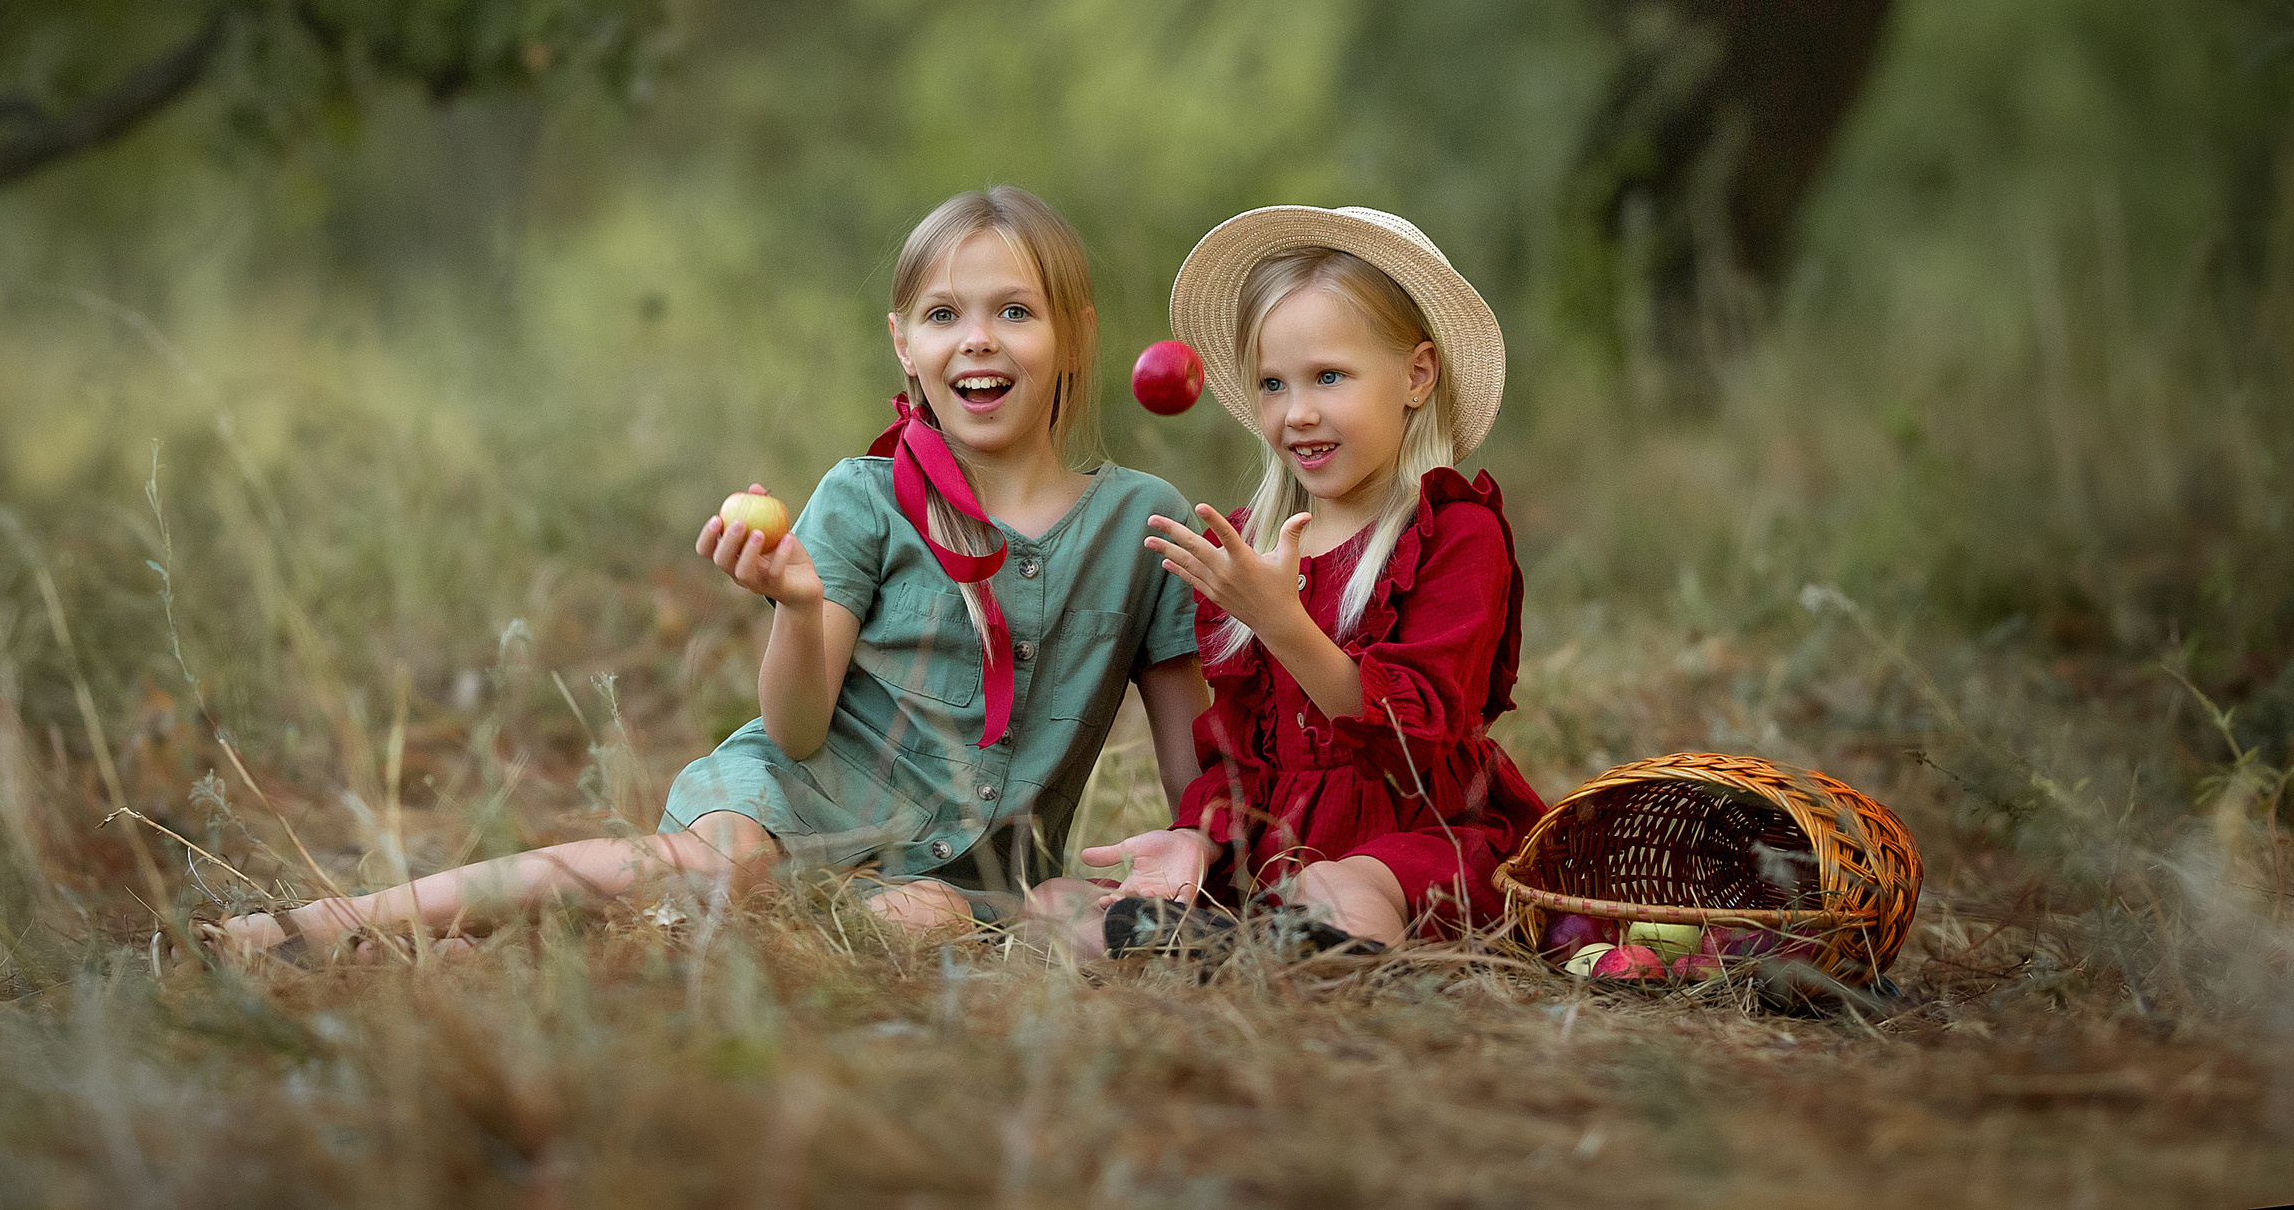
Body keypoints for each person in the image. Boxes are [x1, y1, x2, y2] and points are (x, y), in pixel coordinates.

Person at [193, 187, 1208, 960]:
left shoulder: (1142, 523)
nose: (977, 338)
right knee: (729, 867)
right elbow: (796, 730)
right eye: (944, 314)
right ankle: (333, 923)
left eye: (1015, 311)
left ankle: (614, 955)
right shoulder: (863, 498)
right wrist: (797, 608)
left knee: (920, 925)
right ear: (903, 344)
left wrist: (1195, 845)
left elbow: (1191, 768)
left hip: (964, 874)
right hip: (793, 797)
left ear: (1075, 334)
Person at [1029, 205, 1545, 960]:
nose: (1297, 413)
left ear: (1416, 374)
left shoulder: (1456, 534)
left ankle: (1305, 959)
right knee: (1055, 903)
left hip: (1417, 840)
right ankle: (1228, 954)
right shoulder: (1253, 546)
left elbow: (1410, 744)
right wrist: (1196, 837)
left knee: (1337, 891)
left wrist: (1281, 621)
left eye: (1329, 377)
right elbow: (1243, 752)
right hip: (1280, 846)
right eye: (1273, 383)